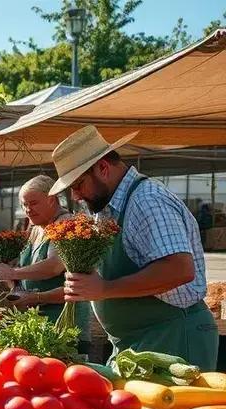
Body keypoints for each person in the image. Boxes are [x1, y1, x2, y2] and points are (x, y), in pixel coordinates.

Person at [51, 125, 217, 369]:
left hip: (173, 339)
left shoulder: (148, 201)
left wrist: (105, 288)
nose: (75, 196)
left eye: (78, 185)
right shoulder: (107, 208)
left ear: (103, 168)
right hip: (137, 343)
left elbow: (180, 269)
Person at [0, 176, 90, 348]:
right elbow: (28, 269)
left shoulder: (66, 224)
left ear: (52, 199)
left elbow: (54, 266)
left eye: (33, 203)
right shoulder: (36, 228)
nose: (28, 210)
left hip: (64, 331)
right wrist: (15, 287)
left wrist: (15, 273)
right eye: (24, 205)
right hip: (38, 328)